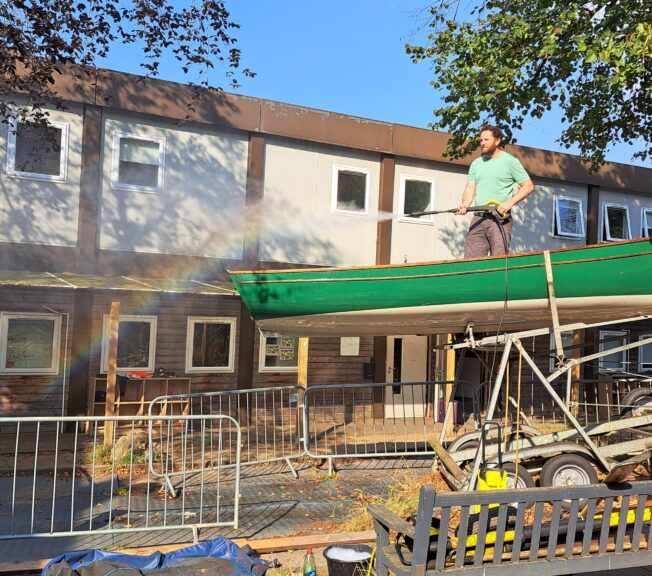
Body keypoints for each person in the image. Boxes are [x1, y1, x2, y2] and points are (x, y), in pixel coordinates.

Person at [456, 125, 534, 258]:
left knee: (498, 262)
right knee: (470, 263)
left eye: (486, 140)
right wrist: (464, 204)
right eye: (481, 140)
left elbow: (528, 186)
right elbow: (470, 188)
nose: (482, 143)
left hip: (500, 219)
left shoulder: (510, 162)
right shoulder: (476, 163)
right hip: (479, 218)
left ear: (497, 141)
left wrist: (509, 204)